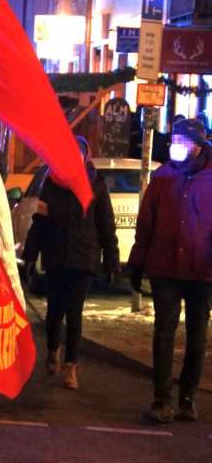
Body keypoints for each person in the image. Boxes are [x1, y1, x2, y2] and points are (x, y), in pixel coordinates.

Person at [128, 119, 211, 424]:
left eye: (183, 140)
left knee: (197, 336)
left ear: (198, 146)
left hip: (202, 272)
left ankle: (188, 397)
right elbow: (145, 225)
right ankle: (162, 399)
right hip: (165, 268)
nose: (176, 145)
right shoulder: (162, 178)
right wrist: (137, 263)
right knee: (164, 332)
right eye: (174, 139)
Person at [22, 136, 118, 391]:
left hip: (83, 259)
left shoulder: (96, 185)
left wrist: (111, 261)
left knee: (74, 314)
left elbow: (106, 226)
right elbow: (39, 223)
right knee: (54, 312)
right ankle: (53, 347)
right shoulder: (51, 184)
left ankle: (70, 367)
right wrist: (31, 255)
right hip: (55, 257)